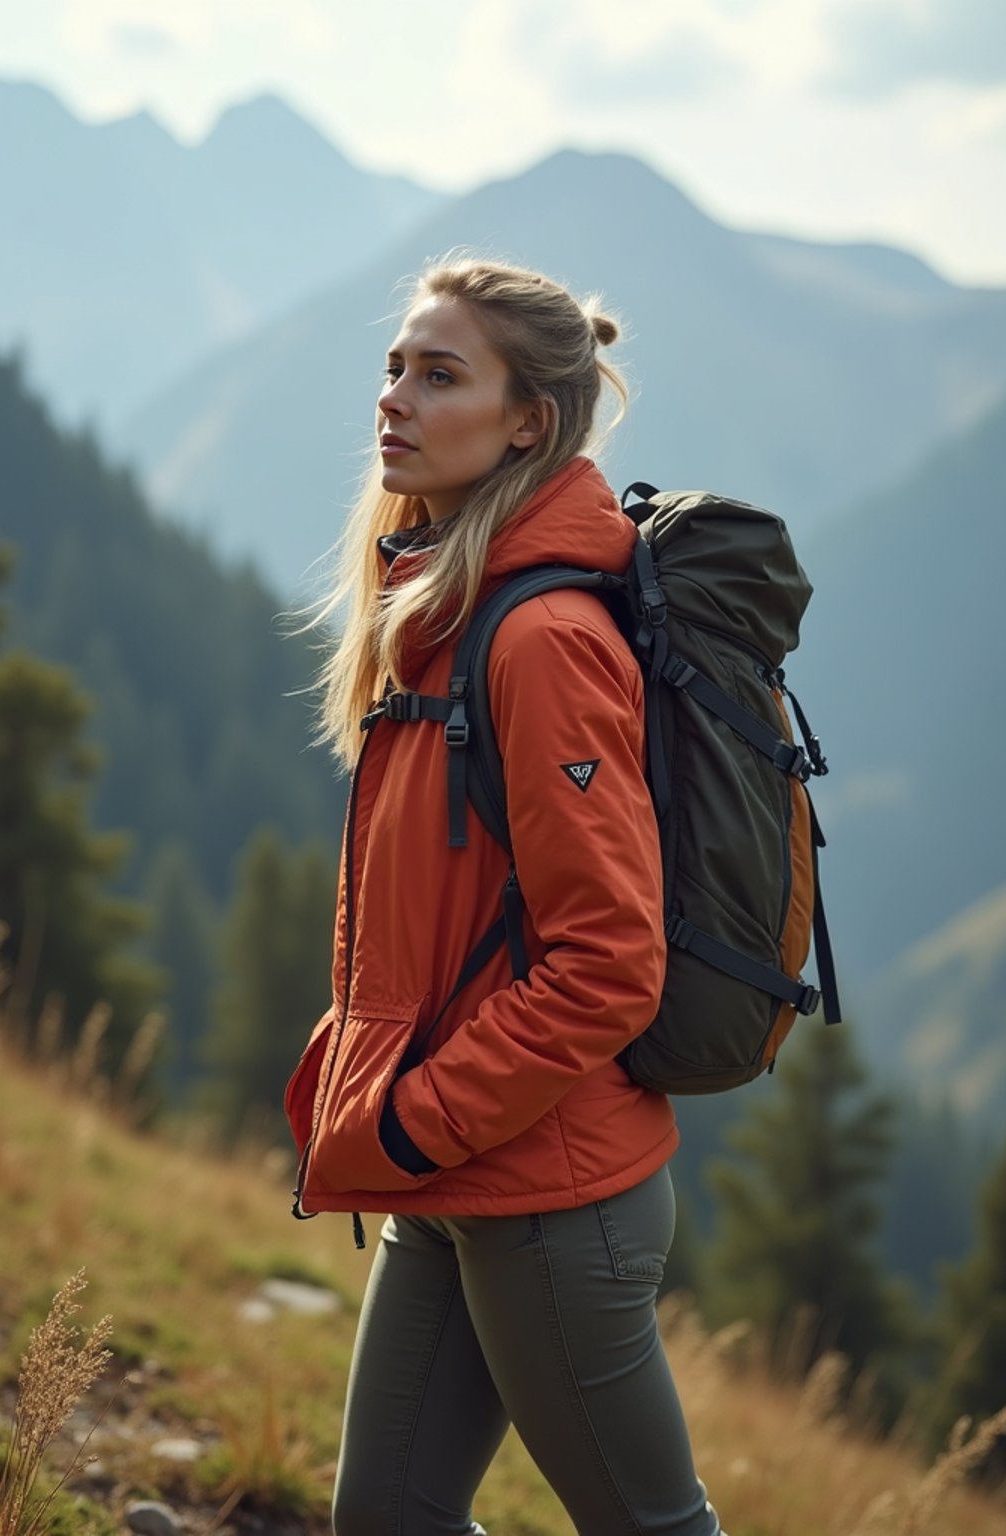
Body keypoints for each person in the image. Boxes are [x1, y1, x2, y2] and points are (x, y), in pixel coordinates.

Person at [295, 257, 724, 1536]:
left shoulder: (538, 641)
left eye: (439, 375)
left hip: (547, 1191)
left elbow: (608, 960)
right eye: (394, 366)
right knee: (387, 1519)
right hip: (465, 1163)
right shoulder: (444, 607)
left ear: (525, 419)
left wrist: (420, 1119)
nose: (395, 399)